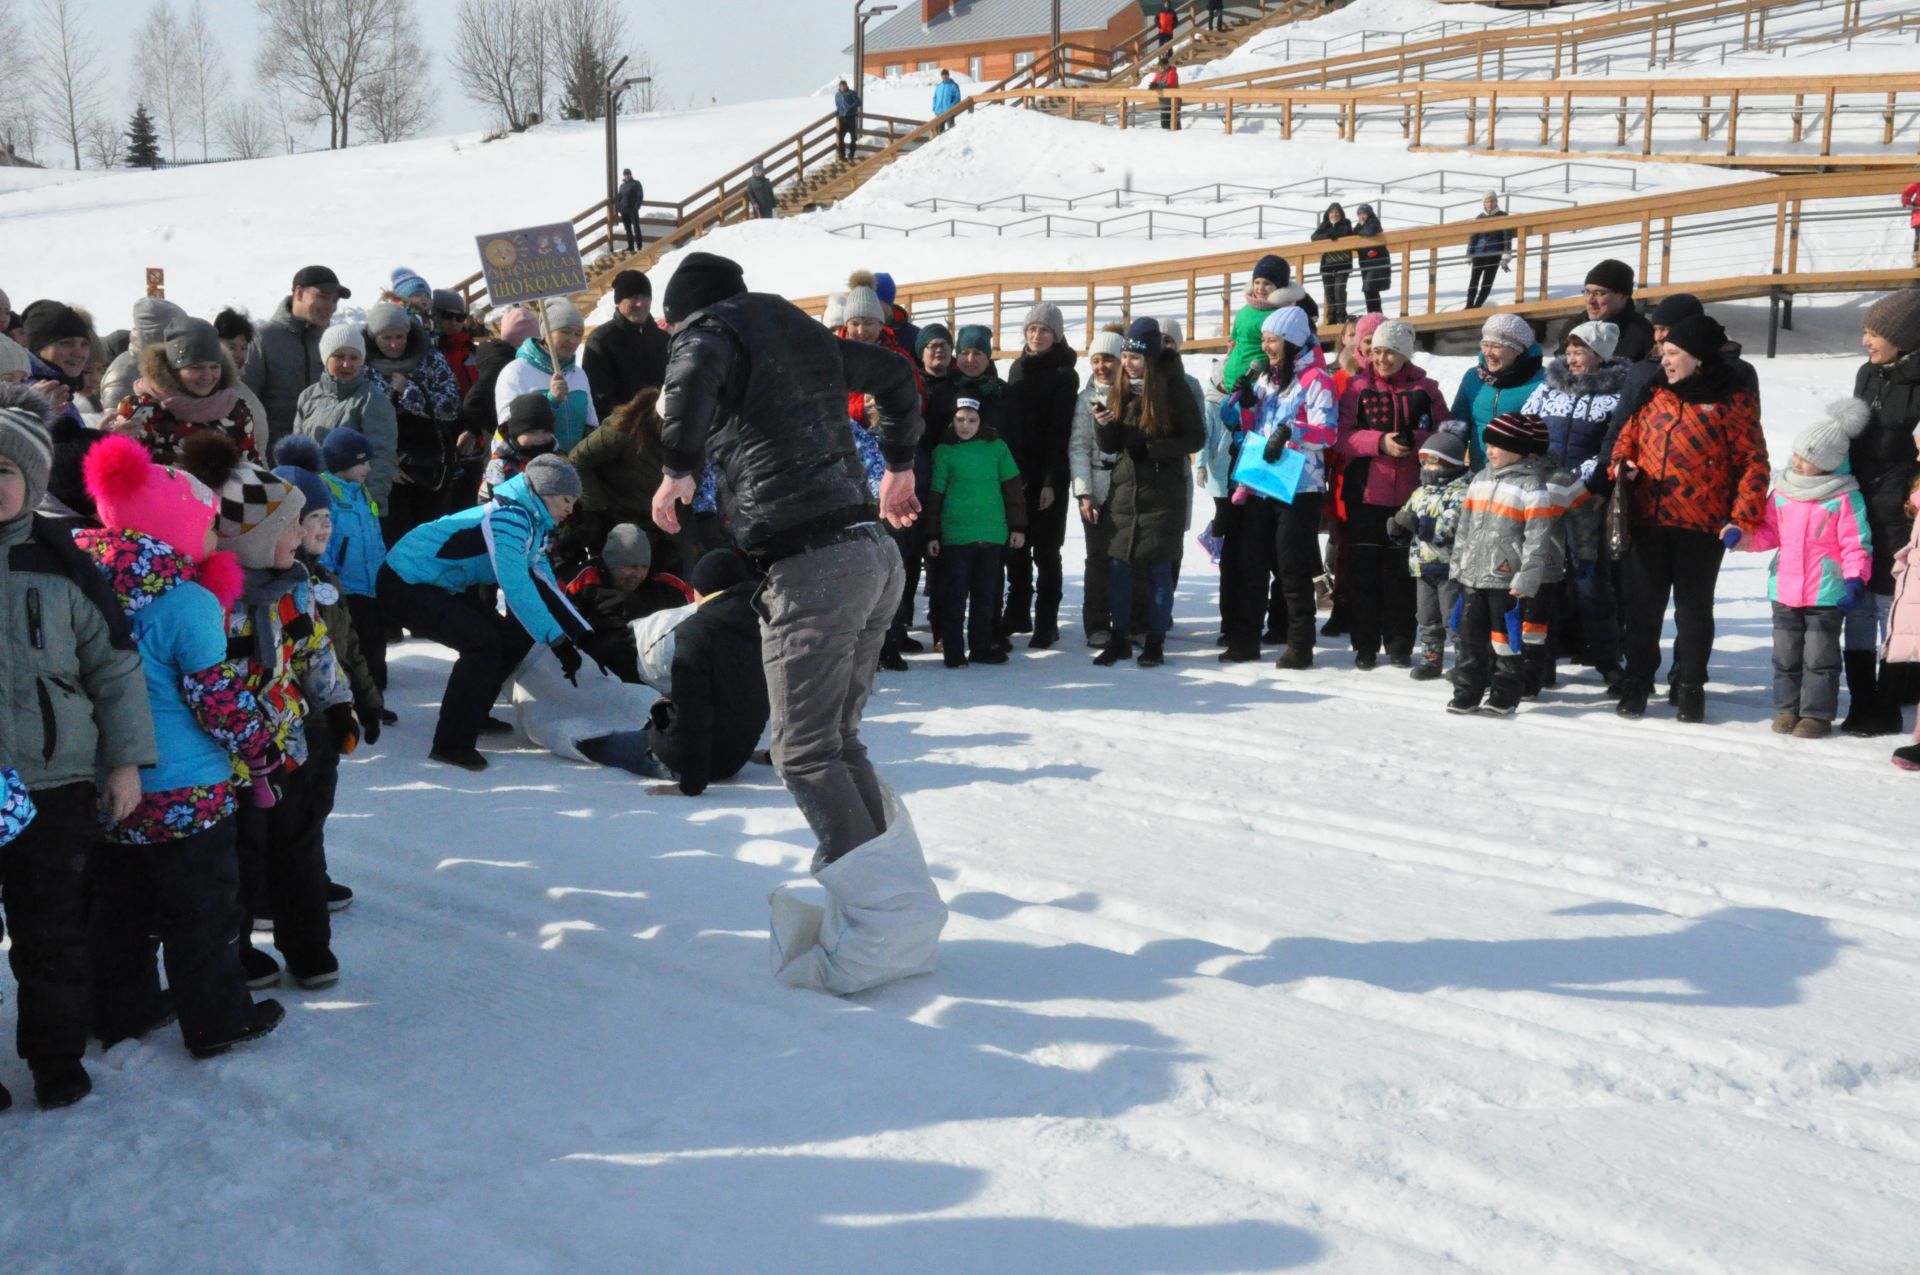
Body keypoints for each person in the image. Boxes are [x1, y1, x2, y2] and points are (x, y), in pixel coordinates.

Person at [649, 250, 925, 871]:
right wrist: (900, 462)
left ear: (683, 313)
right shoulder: (802, 334)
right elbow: (899, 378)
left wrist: (675, 470)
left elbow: (690, 379)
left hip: (813, 567)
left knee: (802, 753)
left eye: (671, 327)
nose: (671, 338)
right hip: (873, 554)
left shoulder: (708, 332)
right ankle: (887, 889)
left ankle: (870, 899)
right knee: (836, 742)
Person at [75, 433, 287, 1063]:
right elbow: (215, 695)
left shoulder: (81, 588)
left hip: (105, 782)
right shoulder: (187, 601)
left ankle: (122, 1008)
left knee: (117, 911)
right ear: (175, 528)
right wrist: (261, 750)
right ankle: (217, 1019)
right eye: (206, 526)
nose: (215, 539)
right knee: (202, 913)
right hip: (187, 789)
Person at [1, 386, 155, 1108]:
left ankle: (55, 1058)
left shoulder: (66, 565)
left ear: (30, 483)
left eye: (3, 470)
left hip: (52, 781)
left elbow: (115, 667)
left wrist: (124, 761)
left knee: (53, 931)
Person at [180, 442, 354, 992]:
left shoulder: (292, 588)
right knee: (234, 859)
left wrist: (337, 702)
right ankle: (238, 954)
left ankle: (307, 945)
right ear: (251, 538)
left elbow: (314, 649)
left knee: (297, 850)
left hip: (289, 743)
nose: (301, 538)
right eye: (288, 529)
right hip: (227, 757)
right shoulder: (209, 600)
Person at [381, 455, 596, 771]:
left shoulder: (533, 525)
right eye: (566, 500)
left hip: (438, 585)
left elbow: (546, 584)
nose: (569, 510)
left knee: (510, 637)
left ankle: (473, 710)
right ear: (544, 493)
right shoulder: (508, 518)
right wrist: (557, 641)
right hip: (403, 582)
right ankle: (451, 743)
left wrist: (583, 634)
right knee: (482, 643)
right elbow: (517, 586)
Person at [1609, 313, 1770, 722]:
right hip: (1648, 519)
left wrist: (1743, 518)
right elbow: (1625, 441)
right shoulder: (1653, 392)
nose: (1665, 360)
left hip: (1704, 524)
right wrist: (1621, 466)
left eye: (1674, 353)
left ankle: (1691, 686)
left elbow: (1754, 463)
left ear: (1698, 357)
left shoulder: (1734, 400)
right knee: (1643, 608)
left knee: (1693, 610)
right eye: (1664, 352)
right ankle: (1637, 682)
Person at [1731, 401, 1874, 739]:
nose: (1797, 462)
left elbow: (1857, 543)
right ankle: (1786, 710)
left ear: (1828, 462)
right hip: (1784, 588)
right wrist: (1745, 538)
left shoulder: (1844, 497)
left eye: (1806, 458)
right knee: (1785, 656)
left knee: (1819, 658)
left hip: (1826, 592)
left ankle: (1816, 715)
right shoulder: (1783, 492)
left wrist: (1855, 579)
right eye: (1796, 455)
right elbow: (1770, 532)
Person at [1218, 305, 1338, 666]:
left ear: (1292, 341)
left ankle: (1300, 643)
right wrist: (1245, 404)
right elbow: (1249, 427)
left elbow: (1329, 433)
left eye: (1272, 340)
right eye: (1265, 340)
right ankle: (1245, 639)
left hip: (1300, 487)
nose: (1267, 347)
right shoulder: (1266, 379)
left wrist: (1293, 432)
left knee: (1291, 565)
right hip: (1260, 482)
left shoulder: (1317, 380)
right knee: (1251, 563)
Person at [1518, 319, 1629, 691]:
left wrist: (1580, 482)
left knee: (1590, 584)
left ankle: (1609, 663)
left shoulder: (1617, 395)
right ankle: (1541, 662)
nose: (1573, 357)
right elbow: (1527, 432)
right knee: (1542, 581)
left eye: (1581, 350)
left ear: (1601, 354)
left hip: (1587, 500)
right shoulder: (1546, 389)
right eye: (1569, 349)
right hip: (1543, 496)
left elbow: (1611, 447)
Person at [1092, 318, 1206, 668]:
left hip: (1162, 492)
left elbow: (1195, 437)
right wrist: (1104, 429)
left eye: (1135, 357)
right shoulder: (1121, 387)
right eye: (1125, 355)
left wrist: (1153, 448)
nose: (1127, 363)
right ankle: (1119, 638)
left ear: (1152, 358)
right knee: (1119, 565)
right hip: (1127, 490)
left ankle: (1155, 641)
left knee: (1158, 568)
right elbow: (1113, 446)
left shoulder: (1175, 388)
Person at [1335, 317, 1440, 670]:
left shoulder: (1427, 390)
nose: (1382, 359)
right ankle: (1364, 644)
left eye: (1391, 352)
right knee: (1363, 573)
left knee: (1402, 576)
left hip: (1409, 497)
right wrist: (1379, 441)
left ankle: (1399, 643)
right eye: (1377, 351)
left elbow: (1449, 432)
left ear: (1405, 354)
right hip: (1364, 494)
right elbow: (1342, 436)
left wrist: (1416, 443)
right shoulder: (1356, 388)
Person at [1446, 413, 1566, 716]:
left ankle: (1505, 693)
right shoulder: (1480, 479)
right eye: (1489, 445)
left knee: (1505, 641)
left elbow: (1538, 537)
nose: (1491, 451)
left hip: (1505, 579)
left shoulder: (1531, 486)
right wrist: (1458, 565)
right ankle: (1468, 691)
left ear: (1520, 449)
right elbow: (1465, 527)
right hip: (1473, 575)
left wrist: (1527, 577)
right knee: (1470, 639)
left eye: (1499, 446)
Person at [1845, 289, 1920, 735]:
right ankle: (1862, 699)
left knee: (1893, 606)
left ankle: (1891, 699)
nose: (1866, 342)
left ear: (1903, 337)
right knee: (1858, 602)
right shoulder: (1866, 373)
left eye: (1874, 333)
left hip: (1900, 511)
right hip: (1857, 502)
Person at [641, 550, 770, 794]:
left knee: (603, 742)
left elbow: (693, 711)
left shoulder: (696, 630)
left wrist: (690, 784)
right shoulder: (763, 622)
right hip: (736, 756)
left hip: (693, 764)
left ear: (703, 589)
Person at [925, 397, 1025, 668]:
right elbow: (935, 496)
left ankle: (981, 647)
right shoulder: (945, 452)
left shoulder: (997, 448)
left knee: (986, 596)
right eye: (960, 420)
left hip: (992, 533)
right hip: (956, 536)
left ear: (981, 422)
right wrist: (932, 534)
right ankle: (954, 651)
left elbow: (1013, 489)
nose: (965, 426)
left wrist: (1017, 526)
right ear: (951, 421)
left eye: (971, 420)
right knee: (955, 595)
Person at [1005, 302, 1079, 649]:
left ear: (1056, 335)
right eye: (1032, 329)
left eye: (1044, 330)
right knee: (1016, 545)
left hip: (1050, 471)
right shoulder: (1016, 369)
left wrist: (1051, 480)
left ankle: (1047, 621)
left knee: (1046, 551)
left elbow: (1060, 431)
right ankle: (1018, 610)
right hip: (1017, 470)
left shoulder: (1065, 373)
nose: (1037, 336)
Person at [105, 315, 266, 463]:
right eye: (196, 367)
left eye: (214, 367)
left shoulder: (233, 408)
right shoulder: (144, 409)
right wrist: (111, 443)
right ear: (174, 370)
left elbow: (251, 466)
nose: (207, 376)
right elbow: (123, 471)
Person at [364, 300, 462, 540]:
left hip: (430, 462)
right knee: (392, 535)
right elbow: (356, 419)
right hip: (385, 464)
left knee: (429, 534)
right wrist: (384, 464)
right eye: (386, 338)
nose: (395, 344)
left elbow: (451, 405)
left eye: (400, 336)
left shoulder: (430, 358)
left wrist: (411, 392)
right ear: (374, 338)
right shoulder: (361, 363)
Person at [317, 426, 390, 707]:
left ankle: (374, 701)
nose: (368, 468)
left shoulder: (361, 493)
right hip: (345, 588)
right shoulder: (327, 493)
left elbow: (374, 535)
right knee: (348, 647)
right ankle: (346, 702)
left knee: (375, 647)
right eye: (362, 462)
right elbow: (325, 540)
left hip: (370, 585)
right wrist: (328, 580)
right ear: (343, 462)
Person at [1390, 429, 1471, 681]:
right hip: (1422, 565)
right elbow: (1408, 516)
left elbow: (1449, 527)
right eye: (1423, 461)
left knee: (1453, 619)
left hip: (1449, 567)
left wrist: (1417, 524)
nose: (1426, 466)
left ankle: (1465, 661)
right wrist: (1398, 529)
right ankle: (1431, 659)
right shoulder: (1420, 491)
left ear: (1450, 464)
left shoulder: (1462, 493)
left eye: (1432, 462)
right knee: (1426, 617)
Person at [243, 264, 350, 453]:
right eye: (323, 297)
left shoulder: (332, 342)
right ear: (299, 293)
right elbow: (245, 401)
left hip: (323, 458)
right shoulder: (264, 338)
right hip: (273, 457)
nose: (331, 307)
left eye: (334, 300)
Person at [291, 325, 400, 511]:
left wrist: (369, 504)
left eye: (354, 357)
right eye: (339, 356)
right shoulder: (308, 397)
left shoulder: (371, 399)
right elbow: (298, 452)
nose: (346, 364)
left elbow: (381, 456)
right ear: (325, 358)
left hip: (352, 505)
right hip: (313, 502)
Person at [1071, 326, 1127, 646]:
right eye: (1096, 361)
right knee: (1098, 558)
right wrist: (1084, 492)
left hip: (1127, 486)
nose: (1102, 367)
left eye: (1108, 360)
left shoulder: (1131, 395)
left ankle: (1129, 618)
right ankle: (1096, 622)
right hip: (1096, 484)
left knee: (1128, 557)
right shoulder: (1084, 400)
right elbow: (1078, 447)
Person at [569, 384, 667, 560]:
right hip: (619, 522)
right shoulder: (625, 428)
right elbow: (578, 460)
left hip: (661, 530)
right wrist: (598, 510)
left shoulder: (691, 437)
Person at [494, 298, 597, 452]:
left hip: (577, 467)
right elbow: (507, 430)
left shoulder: (578, 373)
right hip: (537, 469)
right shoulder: (516, 372)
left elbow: (591, 425)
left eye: (578, 334)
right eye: (566, 331)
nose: (572, 340)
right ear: (546, 332)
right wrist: (551, 401)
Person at [1449, 313, 1545, 470]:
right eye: (1485, 344)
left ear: (1518, 349)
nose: (1488, 352)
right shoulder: (1473, 377)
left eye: (1497, 346)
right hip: (1478, 472)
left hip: (1521, 476)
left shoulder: (1543, 381)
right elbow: (1458, 423)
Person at [582, 270, 670, 422]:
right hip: (624, 430)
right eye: (633, 297)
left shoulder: (664, 339)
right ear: (619, 301)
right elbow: (600, 398)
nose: (640, 303)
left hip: (664, 427)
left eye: (645, 297)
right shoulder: (602, 340)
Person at [1219, 254, 1300, 395]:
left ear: (1279, 287)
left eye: (1267, 283)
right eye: (1257, 282)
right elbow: (1234, 340)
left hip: (1256, 385)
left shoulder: (1280, 314)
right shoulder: (1245, 310)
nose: (1260, 288)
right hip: (1229, 381)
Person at [1554, 259, 1654, 364]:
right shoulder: (1572, 327)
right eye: (1587, 292)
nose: (1590, 300)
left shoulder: (1641, 333)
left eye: (1599, 293)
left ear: (1623, 297)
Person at [98, 297, 186, 410]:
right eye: (177, 333)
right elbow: (116, 423)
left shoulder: (168, 363)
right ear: (158, 335)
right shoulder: (124, 373)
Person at [481, 393, 560, 504]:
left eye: (546, 431)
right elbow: (488, 503)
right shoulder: (500, 465)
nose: (539, 438)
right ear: (516, 433)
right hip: (514, 518)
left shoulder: (556, 457)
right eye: (531, 432)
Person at [1465, 193, 1512, 310]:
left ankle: (1477, 306)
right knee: (1474, 281)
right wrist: (1469, 254)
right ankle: (1469, 305)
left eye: (1492, 201)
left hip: (1494, 253)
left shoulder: (1503, 216)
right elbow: (1473, 238)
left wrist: (1506, 253)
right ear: (1484, 203)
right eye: (1487, 201)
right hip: (1479, 253)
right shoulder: (1480, 217)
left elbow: (1507, 236)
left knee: (1487, 282)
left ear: (1496, 202)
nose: (1490, 204)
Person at [1311, 204, 1354, 325]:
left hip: (1343, 263)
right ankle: (1331, 316)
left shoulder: (1346, 223)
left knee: (1339, 290)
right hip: (1327, 264)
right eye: (1331, 213)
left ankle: (1341, 315)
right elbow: (1314, 237)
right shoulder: (1325, 225)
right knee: (1329, 291)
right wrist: (1328, 235)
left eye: (1336, 213)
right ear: (1328, 214)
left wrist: (1333, 233)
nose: (1334, 215)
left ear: (1340, 214)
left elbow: (1345, 233)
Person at [430, 290, 478, 398]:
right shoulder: (429, 350)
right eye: (448, 316)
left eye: (460, 317)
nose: (454, 322)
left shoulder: (471, 348)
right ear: (436, 317)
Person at [1353, 204, 1390, 316]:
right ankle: (1374, 315)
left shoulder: (1373, 222)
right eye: (1360, 214)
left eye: (1364, 214)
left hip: (1377, 263)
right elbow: (1353, 234)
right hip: (1367, 264)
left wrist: (1360, 229)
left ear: (1369, 214)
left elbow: (1370, 231)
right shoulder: (1361, 225)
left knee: (1369, 289)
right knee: (1370, 291)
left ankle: (1375, 315)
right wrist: (1359, 229)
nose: (1362, 217)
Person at [214, 308, 255, 376]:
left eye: (243, 348)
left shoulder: (241, 385)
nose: (238, 355)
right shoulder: (206, 383)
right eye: (231, 347)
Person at [615, 168, 644, 252]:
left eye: (628, 174)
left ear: (631, 175)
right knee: (627, 229)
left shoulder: (636, 184)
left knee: (636, 228)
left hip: (633, 210)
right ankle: (630, 246)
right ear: (623, 176)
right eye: (625, 174)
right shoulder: (622, 186)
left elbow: (640, 196)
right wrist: (619, 208)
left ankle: (639, 247)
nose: (627, 176)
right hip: (624, 211)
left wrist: (636, 207)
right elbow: (619, 198)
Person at [834, 79, 861, 162]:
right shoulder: (837, 95)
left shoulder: (852, 93)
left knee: (853, 136)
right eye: (841, 86)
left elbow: (859, 102)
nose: (842, 87)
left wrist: (850, 107)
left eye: (844, 86)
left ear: (846, 86)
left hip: (851, 117)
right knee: (840, 136)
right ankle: (842, 154)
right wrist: (838, 112)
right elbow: (837, 104)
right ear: (839, 87)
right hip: (842, 118)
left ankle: (851, 153)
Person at [1149, 56, 1179, 131]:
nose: (1161, 67)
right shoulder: (1159, 74)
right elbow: (1153, 83)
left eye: (1163, 65)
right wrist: (1152, 85)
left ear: (1167, 65)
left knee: (1175, 124)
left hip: (1173, 102)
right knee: (1164, 125)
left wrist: (1157, 85)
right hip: (1163, 102)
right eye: (1160, 65)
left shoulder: (1172, 73)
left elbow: (1170, 85)